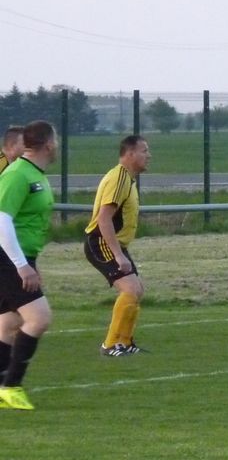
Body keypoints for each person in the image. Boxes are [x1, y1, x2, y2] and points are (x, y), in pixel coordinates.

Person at [0, 121, 59, 410]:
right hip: (8, 258)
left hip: (20, 257)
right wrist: (22, 266)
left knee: (8, 323)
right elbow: (2, 220)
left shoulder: (35, 174)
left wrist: (31, 262)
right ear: (48, 144)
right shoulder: (17, 174)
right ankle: (11, 387)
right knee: (39, 318)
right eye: (56, 140)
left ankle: (3, 386)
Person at [83, 135, 152, 356]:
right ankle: (110, 344)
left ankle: (124, 342)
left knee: (137, 290)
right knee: (130, 289)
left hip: (114, 243)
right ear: (130, 154)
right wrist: (118, 255)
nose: (149, 155)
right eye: (144, 151)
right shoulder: (120, 177)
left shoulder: (127, 178)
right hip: (101, 242)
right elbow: (104, 219)